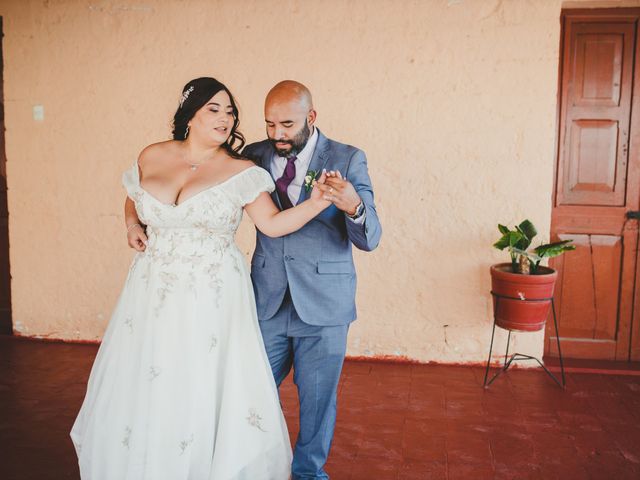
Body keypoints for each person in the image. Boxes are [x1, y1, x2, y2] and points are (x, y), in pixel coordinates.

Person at [70, 77, 332, 480]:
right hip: (150, 292)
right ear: (189, 115)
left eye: (230, 111)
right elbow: (133, 194)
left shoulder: (240, 169)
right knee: (149, 377)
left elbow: (274, 225)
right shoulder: (152, 155)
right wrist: (129, 223)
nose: (225, 118)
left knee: (199, 382)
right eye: (214, 109)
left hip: (210, 297)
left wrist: (318, 203)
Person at [243, 80, 382, 479]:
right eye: (269, 124)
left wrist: (352, 204)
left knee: (318, 403)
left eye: (287, 124)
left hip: (324, 305)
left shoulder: (348, 157)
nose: (277, 134)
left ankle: (308, 473)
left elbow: (370, 238)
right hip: (267, 299)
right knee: (250, 396)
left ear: (311, 117)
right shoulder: (252, 156)